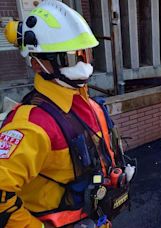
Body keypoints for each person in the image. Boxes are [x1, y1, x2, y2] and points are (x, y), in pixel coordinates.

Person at [1, 1, 134, 227]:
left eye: (86, 54)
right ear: (37, 64)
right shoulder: (31, 125)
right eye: (72, 57)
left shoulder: (90, 105)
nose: (83, 64)